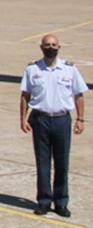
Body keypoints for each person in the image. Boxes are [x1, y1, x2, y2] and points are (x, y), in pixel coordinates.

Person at [19, 34, 86, 218]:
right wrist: (23, 118)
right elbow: (25, 95)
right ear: (41, 47)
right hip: (40, 119)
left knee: (62, 163)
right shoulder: (33, 69)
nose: (51, 47)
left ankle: (61, 201)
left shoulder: (69, 69)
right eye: (47, 45)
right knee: (42, 162)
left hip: (62, 120)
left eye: (54, 45)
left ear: (59, 47)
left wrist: (80, 119)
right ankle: (44, 200)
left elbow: (78, 95)